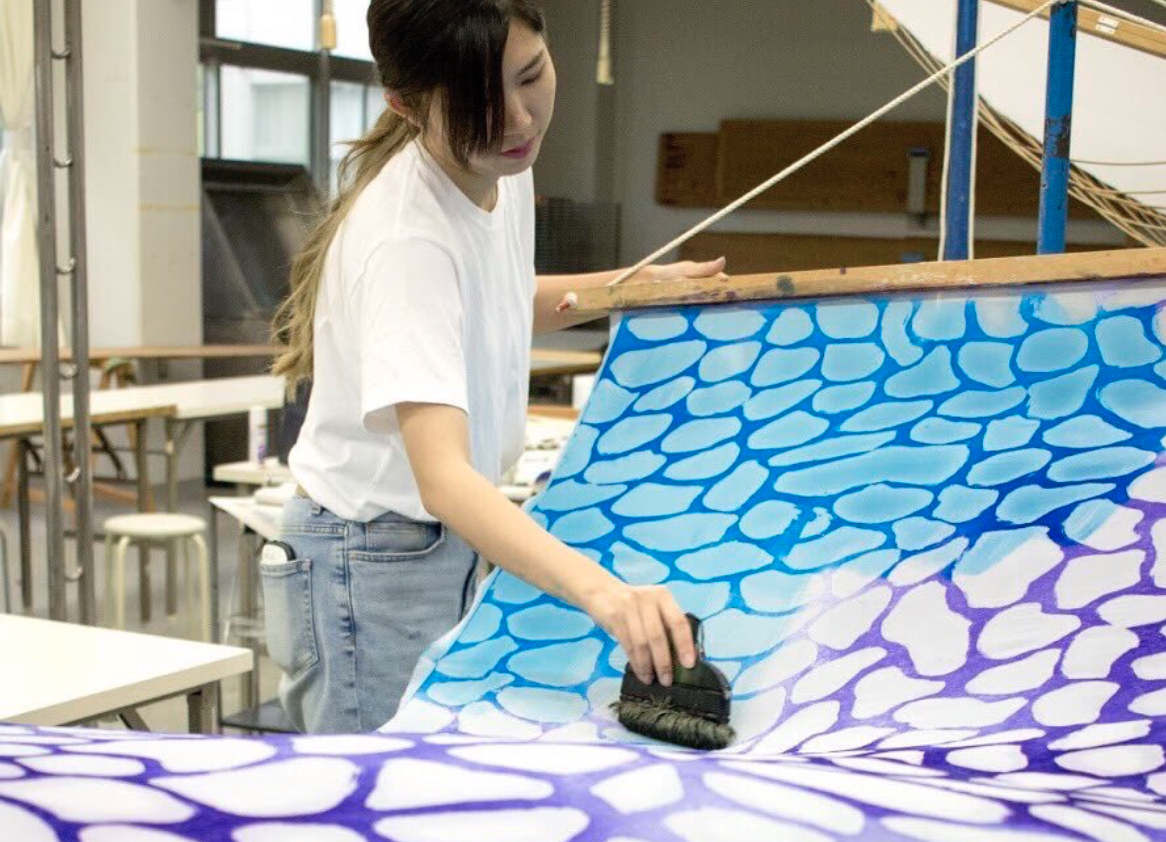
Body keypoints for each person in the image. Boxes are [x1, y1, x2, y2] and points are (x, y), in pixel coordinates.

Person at [265, 0, 727, 734]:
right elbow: (444, 479)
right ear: (406, 105)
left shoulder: (498, 170)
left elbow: (499, 299)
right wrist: (608, 597)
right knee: (391, 787)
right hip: (370, 560)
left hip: (430, 546)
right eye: (479, 100)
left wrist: (634, 290)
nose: (518, 119)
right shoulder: (406, 241)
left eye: (531, 75)